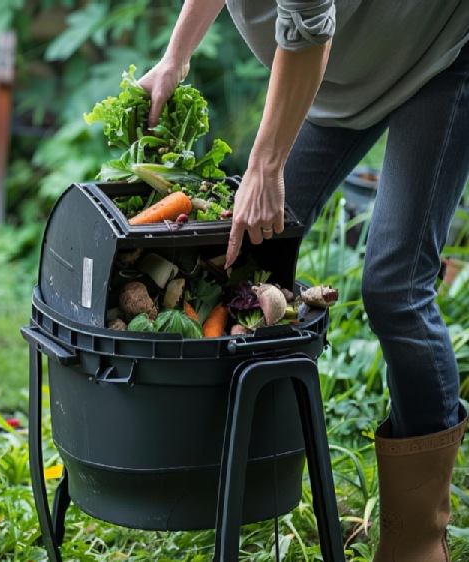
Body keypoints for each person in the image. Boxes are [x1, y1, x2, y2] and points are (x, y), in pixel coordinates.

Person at [139, 1, 469, 561]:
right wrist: (176, 56)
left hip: (437, 53)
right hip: (340, 76)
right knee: (243, 246)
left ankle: (418, 541)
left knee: (395, 287)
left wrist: (266, 167)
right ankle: (228, 475)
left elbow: (309, 26)